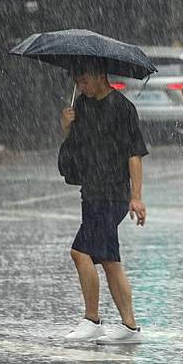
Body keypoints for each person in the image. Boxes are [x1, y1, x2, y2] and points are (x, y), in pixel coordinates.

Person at [58, 62, 148, 344]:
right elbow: (76, 148)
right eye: (78, 82)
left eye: (85, 81)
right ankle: (128, 326)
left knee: (81, 252)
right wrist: (67, 127)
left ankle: (93, 319)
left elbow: (134, 154)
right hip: (92, 191)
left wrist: (136, 196)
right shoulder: (81, 107)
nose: (81, 87)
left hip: (113, 193)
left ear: (100, 77)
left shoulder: (123, 108)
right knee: (110, 260)